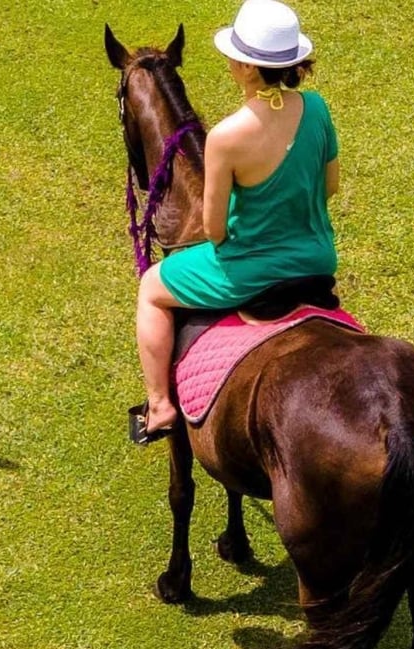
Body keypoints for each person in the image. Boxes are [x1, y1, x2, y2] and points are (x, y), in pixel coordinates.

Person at [133, 0, 340, 440]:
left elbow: (214, 231)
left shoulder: (226, 137)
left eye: (233, 54)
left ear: (247, 67)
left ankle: (160, 406)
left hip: (250, 271)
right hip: (316, 261)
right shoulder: (318, 109)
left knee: (151, 288)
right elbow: (330, 187)